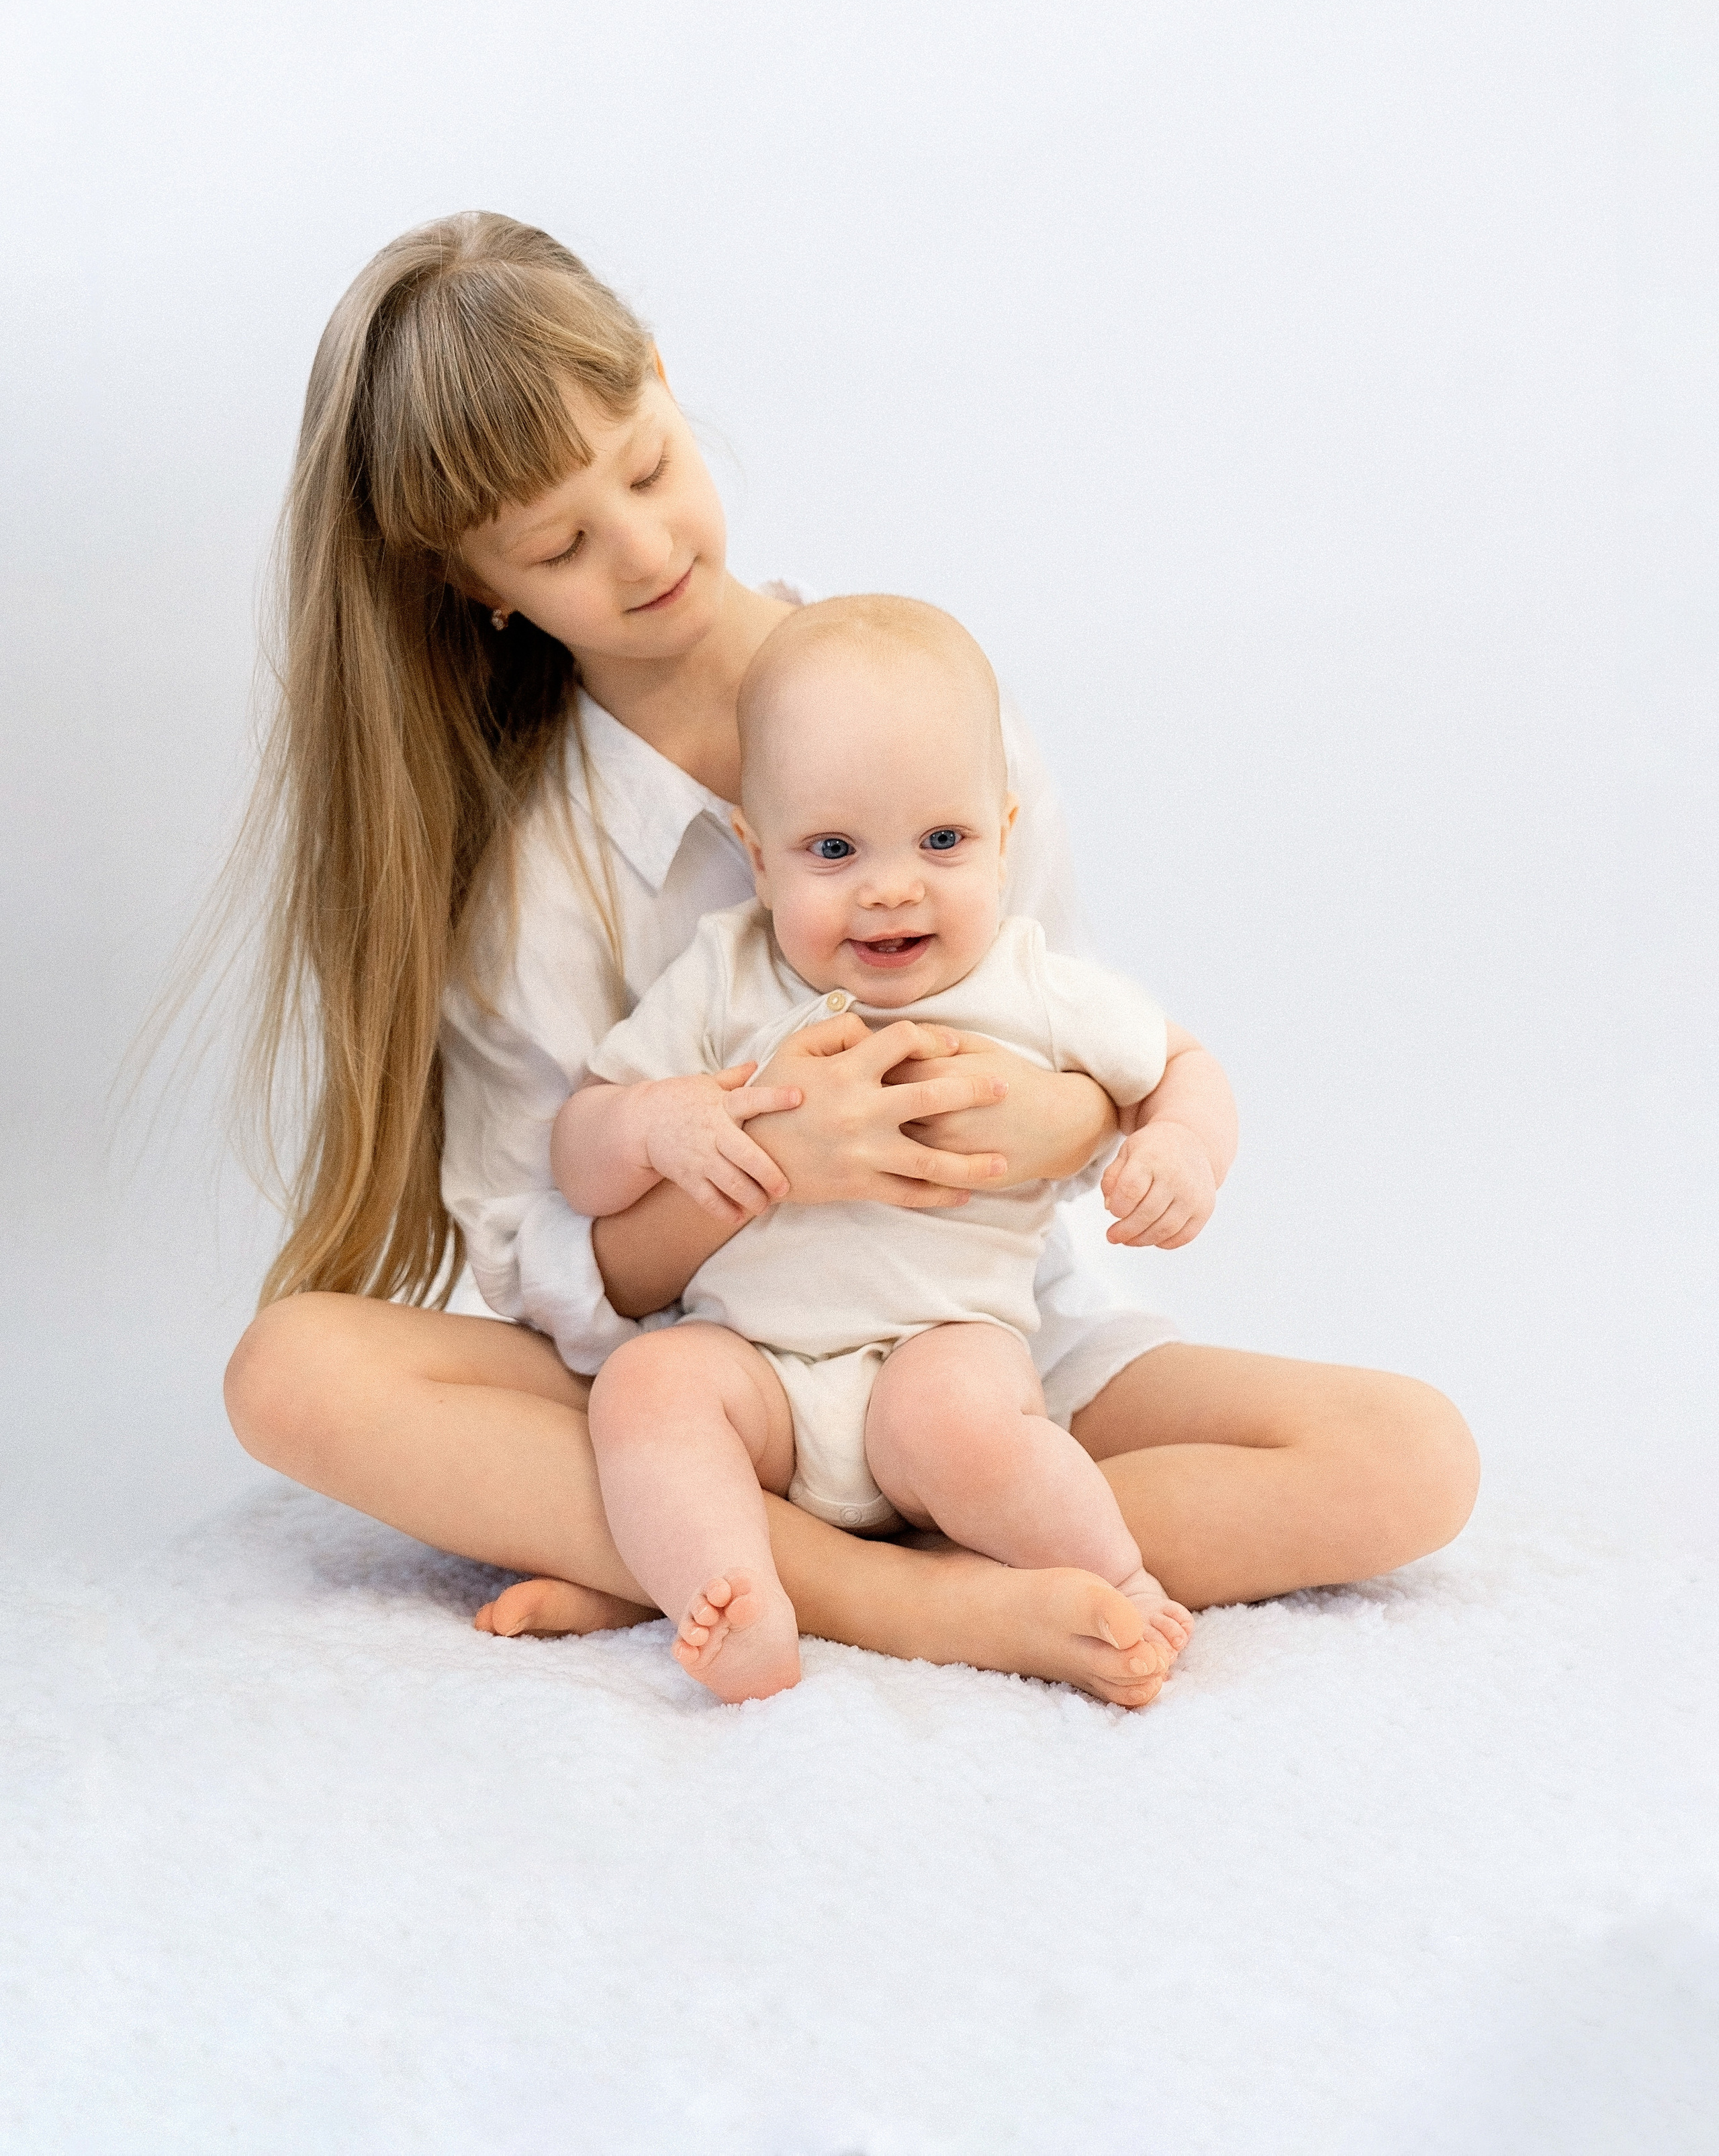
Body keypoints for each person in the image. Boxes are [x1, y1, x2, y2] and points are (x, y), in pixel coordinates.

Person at [221, 210, 1480, 1713]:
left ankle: (698, 1557)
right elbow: (561, 1261)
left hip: (984, 1348)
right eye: (557, 542)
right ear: (473, 584)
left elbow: (1066, 1023)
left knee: (1412, 1459)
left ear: (669, 385)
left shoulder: (929, 701)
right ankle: (914, 1596)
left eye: (644, 463)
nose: (646, 548)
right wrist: (771, 1157)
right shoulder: (532, 879)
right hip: (716, 1373)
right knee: (290, 1370)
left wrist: (1082, 1124)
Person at [561, 593, 1228, 1701]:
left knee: (957, 1420)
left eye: (943, 839)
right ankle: (734, 1598)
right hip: (759, 1374)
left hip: (940, 1348)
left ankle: (1119, 1575)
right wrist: (648, 1121)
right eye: (833, 848)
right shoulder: (726, 977)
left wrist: (1186, 1149)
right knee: (648, 1385)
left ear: (1005, 838)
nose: (891, 885)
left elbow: (1184, 1066)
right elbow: (579, 1151)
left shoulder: (1031, 987)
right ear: (757, 856)